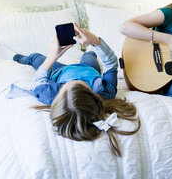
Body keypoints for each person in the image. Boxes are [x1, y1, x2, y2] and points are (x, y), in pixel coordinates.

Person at [11, 23, 140, 157]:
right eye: (81, 84)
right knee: (90, 54)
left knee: (35, 57)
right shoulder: (104, 92)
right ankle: (88, 50)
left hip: (58, 69)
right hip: (89, 68)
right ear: (93, 95)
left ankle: (17, 57)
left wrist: (52, 56)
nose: (76, 80)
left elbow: (38, 80)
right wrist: (95, 41)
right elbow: (111, 64)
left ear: (59, 93)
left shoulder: (49, 94)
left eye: (68, 84)